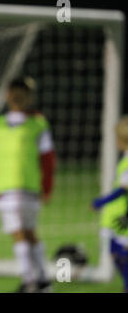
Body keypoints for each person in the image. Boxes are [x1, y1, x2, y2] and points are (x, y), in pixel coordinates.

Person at [0, 76, 55, 293]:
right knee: (25, 233)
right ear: (8, 95)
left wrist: (47, 187)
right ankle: (43, 281)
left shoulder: (37, 123)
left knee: (23, 234)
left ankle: (30, 281)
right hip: (9, 190)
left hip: (25, 190)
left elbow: (48, 159)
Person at [92, 117, 128, 293]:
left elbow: (122, 190)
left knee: (121, 254)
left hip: (123, 218)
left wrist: (101, 202)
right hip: (117, 218)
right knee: (115, 252)